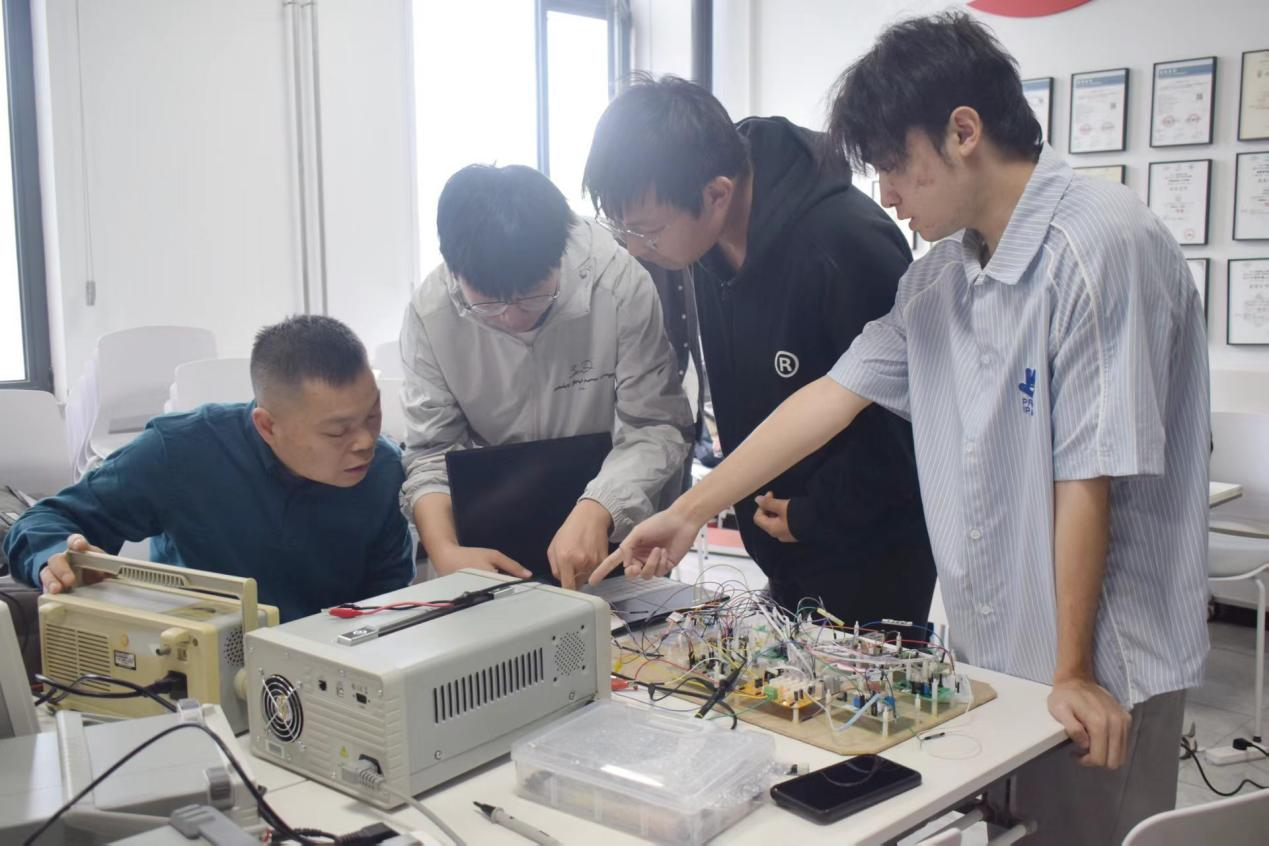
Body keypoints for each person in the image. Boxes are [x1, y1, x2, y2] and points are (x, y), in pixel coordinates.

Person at [593, 13, 1209, 845]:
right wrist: (687, 510)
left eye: (892, 166)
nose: (885, 194)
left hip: (1103, 661)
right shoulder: (942, 278)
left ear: (963, 132)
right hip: (1003, 651)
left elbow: (1086, 476)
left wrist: (1072, 668)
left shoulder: (1098, 245)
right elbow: (828, 398)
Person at [582, 74, 935, 625]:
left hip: (871, 557)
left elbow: (908, 429)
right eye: (623, 230)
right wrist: (696, 512)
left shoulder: (846, 244)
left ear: (716, 194)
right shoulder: (702, 244)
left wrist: (814, 514)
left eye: (648, 232)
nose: (636, 249)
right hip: (782, 552)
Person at [3, 316, 415, 621]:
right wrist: (55, 556)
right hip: (194, 676)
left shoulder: (383, 471)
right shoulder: (181, 452)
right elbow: (44, 520)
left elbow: (385, 604)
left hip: (329, 673)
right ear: (267, 426)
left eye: (372, 416)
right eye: (338, 431)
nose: (364, 441)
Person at [400, 163, 692, 589]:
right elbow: (431, 452)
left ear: (559, 257)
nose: (514, 319)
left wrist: (600, 505)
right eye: (489, 306)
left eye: (532, 299)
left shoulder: (617, 283)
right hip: (494, 520)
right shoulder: (432, 314)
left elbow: (654, 424)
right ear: (454, 272)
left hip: (614, 510)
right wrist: (444, 550)